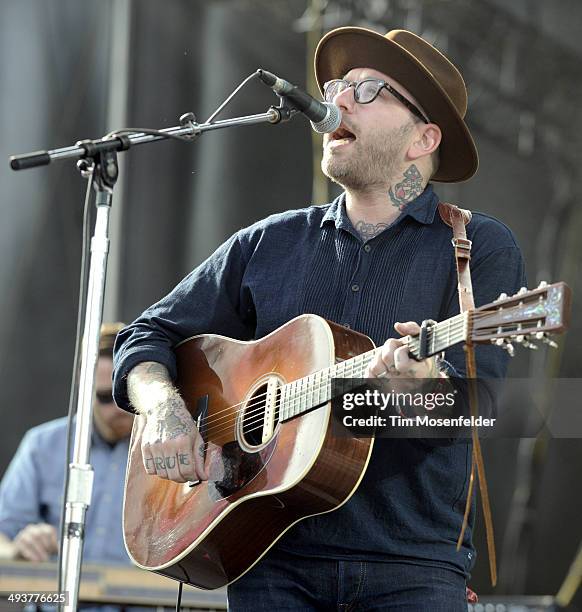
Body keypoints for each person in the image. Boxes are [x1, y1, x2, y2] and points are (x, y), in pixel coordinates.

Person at [112, 27, 526, 610]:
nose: (337, 99)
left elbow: (475, 408)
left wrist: (415, 391)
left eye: (367, 89)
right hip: (268, 559)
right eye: (337, 85)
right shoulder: (269, 243)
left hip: (411, 570)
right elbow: (146, 335)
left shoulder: (475, 247)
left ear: (422, 138)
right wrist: (162, 408)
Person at [0, 323, 134, 565]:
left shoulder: (165, 448)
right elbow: (3, 533)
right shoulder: (42, 445)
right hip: (56, 600)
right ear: (84, 391)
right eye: (106, 397)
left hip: (142, 602)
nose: (118, 408)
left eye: (127, 396)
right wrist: (18, 549)